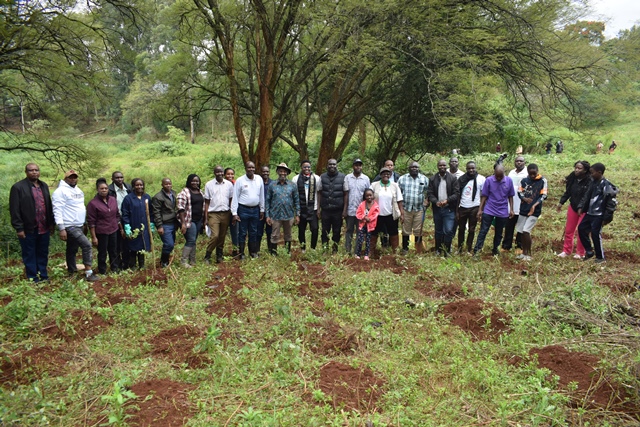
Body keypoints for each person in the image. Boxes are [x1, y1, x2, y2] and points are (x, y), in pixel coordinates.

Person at [9, 163, 55, 282]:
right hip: (28, 228)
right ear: (26, 172)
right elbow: (15, 209)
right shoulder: (18, 187)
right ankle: (32, 277)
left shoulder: (43, 185)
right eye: (31, 170)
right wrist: (19, 228)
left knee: (43, 252)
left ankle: (43, 275)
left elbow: (48, 205)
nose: (34, 172)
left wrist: (51, 224)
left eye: (36, 170)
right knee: (29, 253)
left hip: (43, 227)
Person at [52, 170, 99, 281]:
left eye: (75, 177)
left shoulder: (78, 190)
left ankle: (71, 271)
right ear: (65, 179)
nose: (73, 179)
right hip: (69, 225)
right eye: (70, 177)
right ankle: (89, 273)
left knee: (72, 249)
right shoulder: (60, 192)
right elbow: (57, 210)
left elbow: (80, 208)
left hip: (79, 224)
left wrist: (84, 223)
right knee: (87, 245)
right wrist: (61, 228)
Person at [577, 163, 619, 264]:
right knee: (581, 229)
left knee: (595, 234)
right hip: (590, 212)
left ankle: (600, 257)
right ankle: (589, 251)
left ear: (599, 173)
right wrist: (581, 207)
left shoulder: (606, 185)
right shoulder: (593, 182)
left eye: (592, 173)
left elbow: (611, 203)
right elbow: (587, 195)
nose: (590, 175)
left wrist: (607, 217)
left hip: (599, 215)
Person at [473, 165, 515, 256]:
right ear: (494, 173)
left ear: (504, 172)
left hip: (503, 210)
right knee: (483, 230)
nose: (499, 178)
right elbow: (484, 196)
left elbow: (510, 196)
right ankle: (477, 250)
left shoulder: (509, 181)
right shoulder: (489, 180)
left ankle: (495, 249)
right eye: (497, 176)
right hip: (489, 209)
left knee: (499, 232)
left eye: (501, 176)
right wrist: (480, 209)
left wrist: (511, 209)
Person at [556, 161, 591, 259]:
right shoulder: (573, 178)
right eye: (576, 167)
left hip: (585, 209)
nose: (576, 170)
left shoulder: (589, 180)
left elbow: (586, 196)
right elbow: (568, 192)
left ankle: (580, 253)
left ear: (585, 170)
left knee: (581, 231)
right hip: (573, 206)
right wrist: (561, 202)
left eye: (579, 168)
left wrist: (581, 207)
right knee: (569, 230)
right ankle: (566, 251)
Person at [231, 162, 265, 259]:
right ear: (245, 168)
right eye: (249, 167)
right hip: (243, 209)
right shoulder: (240, 180)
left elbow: (261, 195)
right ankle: (241, 253)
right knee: (242, 232)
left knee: (253, 231)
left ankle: (253, 252)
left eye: (253, 167)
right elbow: (235, 197)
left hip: (255, 210)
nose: (251, 169)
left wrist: (262, 209)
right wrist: (234, 213)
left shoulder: (259, 179)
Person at [87, 178, 121, 274]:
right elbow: (91, 222)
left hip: (113, 229)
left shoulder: (113, 200)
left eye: (106, 188)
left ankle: (114, 268)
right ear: (97, 190)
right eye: (102, 188)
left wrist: (120, 228)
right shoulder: (93, 204)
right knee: (102, 252)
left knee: (113, 251)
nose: (104, 190)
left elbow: (117, 215)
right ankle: (102, 271)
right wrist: (94, 237)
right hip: (101, 232)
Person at [515, 164, 548, 261]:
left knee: (526, 231)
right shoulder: (524, 180)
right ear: (528, 172)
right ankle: (523, 253)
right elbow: (519, 191)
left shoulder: (542, 181)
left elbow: (543, 195)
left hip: (534, 211)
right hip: (524, 209)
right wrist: (524, 198)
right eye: (531, 174)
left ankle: (528, 254)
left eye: (535, 173)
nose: (533, 176)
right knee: (520, 232)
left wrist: (534, 205)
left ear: (537, 171)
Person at [427, 159, 460, 256]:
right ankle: (438, 250)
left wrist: (447, 200)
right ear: (437, 166)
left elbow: (456, 193)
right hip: (437, 209)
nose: (442, 167)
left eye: (444, 165)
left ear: (447, 166)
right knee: (438, 230)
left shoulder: (453, 178)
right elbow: (430, 193)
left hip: (449, 208)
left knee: (449, 230)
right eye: (440, 165)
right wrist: (435, 201)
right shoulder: (433, 179)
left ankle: (446, 250)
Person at [266, 163, 300, 254]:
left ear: (287, 173)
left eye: (284, 171)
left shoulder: (292, 185)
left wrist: (297, 215)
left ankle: (287, 252)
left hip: (288, 214)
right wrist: (267, 215)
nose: (282, 173)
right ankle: (273, 252)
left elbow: (296, 200)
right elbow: (267, 201)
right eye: (281, 171)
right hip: (275, 214)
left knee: (288, 235)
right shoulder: (272, 185)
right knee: (274, 235)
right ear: (277, 172)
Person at [203, 166, 234, 264]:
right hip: (213, 213)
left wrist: (232, 213)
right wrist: (206, 216)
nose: (219, 174)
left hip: (225, 213)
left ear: (223, 173)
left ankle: (219, 255)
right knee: (215, 235)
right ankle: (207, 255)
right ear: (214, 173)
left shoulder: (229, 184)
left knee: (222, 236)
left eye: (221, 172)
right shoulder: (209, 185)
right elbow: (206, 202)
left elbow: (231, 199)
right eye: (217, 172)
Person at [121, 178, 153, 270]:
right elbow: (125, 214)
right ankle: (132, 266)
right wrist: (127, 227)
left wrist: (151, 224)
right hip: (133, 226)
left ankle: (142, 265)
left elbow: (151, 212)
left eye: (141, 185)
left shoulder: (147, 197)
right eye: (137, 185)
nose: (139, 187)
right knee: (133, 246)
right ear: (133, 186)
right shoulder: (128, 198)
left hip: (145, 227)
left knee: (142, 245)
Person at [370, 167, 404, 254]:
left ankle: (395, 251)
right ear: (380, 175)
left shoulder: (395, 185)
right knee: (374, 233)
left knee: (393, 232)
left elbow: (399, 200)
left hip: (391, 214)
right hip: (377, 214)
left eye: (388, 174)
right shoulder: (374, 185)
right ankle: (371, 251)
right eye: (384, 173)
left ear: (390, 175)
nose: (386, 175)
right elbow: (368, 198)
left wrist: (402, 214)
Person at [398, 161, 429, 254]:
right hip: (406, 208)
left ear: (418, 168)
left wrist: (427, 201)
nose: (414, 168)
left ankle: (418, 250)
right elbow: (398, 194)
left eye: (416, 167)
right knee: (405, 230)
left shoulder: (424, 179)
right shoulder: (402, 179)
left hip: (419, 209)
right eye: (412, 167)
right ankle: (405, 249)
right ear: (409, 168)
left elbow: (428, 192)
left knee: (418, 230)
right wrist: (400, 209)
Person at [317, 158, 348, 253]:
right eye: (330, 164)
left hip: (338, 210)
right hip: (325, 210)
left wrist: (345, 210)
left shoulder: (343, 177)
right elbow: (319, 193)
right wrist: (318, 208)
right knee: (324, 231)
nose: (332, 166)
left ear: (336, 165)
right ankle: (325, 249)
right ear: (327, 165)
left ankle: (335, 249)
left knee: (337, 231)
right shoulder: (322, 177)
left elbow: (346, 193)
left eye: (334, 164)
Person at [291, 160, 322, 252]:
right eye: (305, 167)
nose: (307, 169)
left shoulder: (316, 178)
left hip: (313, 208)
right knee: (301, 229)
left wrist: (319, 208)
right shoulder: (296, 179)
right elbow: (294, 195)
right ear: (301, 167)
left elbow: (319, 193)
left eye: (308, 167)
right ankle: (303, 248)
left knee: (315, 229)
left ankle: (313, 248)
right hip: (301, 209)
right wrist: (296, 211)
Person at [456, 161, 485, 254]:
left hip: (475, 207)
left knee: (472, 229)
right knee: (461, 229)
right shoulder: (461, 179)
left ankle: (469, 248)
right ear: (466, 169)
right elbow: (458, 194)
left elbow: (483, 195)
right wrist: (457, 209)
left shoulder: (481, 179)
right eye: (469, 168)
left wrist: (481, 209)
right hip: (463, 207)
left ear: (476, 168)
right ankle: (460, 248)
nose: (471, 170)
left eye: (473, 168)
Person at [177, 174, 205, 266]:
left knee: (194, 239)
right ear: (189, 182)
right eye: (193, 181)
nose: (195, 183)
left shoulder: (200, 192)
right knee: (191, 240)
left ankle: (192, 260)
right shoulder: (184, 192)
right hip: (189, 220)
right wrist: (183, 224)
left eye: (197, 181)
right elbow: (180, 208)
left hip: (198, 220)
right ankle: (183, 261)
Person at [344, 159, 371, 254]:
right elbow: (346, 194)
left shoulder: (366, 179)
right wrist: (345, 210)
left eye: (360, 165)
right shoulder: (347, 178)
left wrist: (367, 210)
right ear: (353, 166)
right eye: (356, 165)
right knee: (349, 231)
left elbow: (368, 195)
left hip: (361, 211)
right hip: (350, 210)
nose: (358, 167)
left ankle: (357, 252)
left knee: (360, 232)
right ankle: (347, 251)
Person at [502, 156, 527, 252]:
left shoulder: (527, 173)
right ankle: (506, 245)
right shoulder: (511, 173)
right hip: (511, 203)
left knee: (520, 226)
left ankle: (519, 246)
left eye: (521, 161)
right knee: (509, 226)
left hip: (522, 204)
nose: (519, 162)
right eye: (517, 161)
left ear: (524, 162)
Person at [108, 171, 132, 269]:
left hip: (127, 218)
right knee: (116, 244)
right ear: (112, 179)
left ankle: (127, 263)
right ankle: (117, 264)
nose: (120, 179)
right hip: (115, 219)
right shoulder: (109, 190)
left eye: (121, 177)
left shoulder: (128, 188)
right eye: (117, 178)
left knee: (127, 242)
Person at [152, 178, 178, 267]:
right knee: (168, 244)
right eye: (166, 184)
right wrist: (159, 226)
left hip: (173, 222)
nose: (168, 186)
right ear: (162, 185)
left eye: (170, 184)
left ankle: (165, 259)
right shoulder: (158, 197)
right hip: (165, 224)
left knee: (172, 243)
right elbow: (156, 212)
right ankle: (164, 262)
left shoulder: (173, 193)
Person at [355, 189, 379, 260]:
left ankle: (366, 255)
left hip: (370, 226)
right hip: (362, 225)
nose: (369, 197)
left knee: (368, 241)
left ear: (373, 195)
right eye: (367, 195)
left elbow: (375, 214)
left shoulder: (375, 205)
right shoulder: (362, 204)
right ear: (365, 196)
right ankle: (358, 254)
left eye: (370, 195)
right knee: (360, 240)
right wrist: (364, 217)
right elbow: (358, 213)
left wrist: (370, 218)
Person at [257, 165, 273, 253]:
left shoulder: (273, 183)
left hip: (270, 211)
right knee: (258, 231)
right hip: (259, 211)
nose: (265, 173)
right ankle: (257, 250)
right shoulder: (257, 183)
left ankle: (271, 250)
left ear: (269, 173)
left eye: (267, 171)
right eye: (263, 171)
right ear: (260, 172)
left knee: (270, 231)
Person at [224, 167, 240, 257]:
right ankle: (220, 251)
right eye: (228, 174)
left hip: (234, 212)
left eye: (232, 174)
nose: (230, 176)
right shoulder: (222, 184)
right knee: (222, 232)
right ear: (224, 175)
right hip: (224, 211)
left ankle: (235, 250)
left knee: (235, 232)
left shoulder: (236, 184)